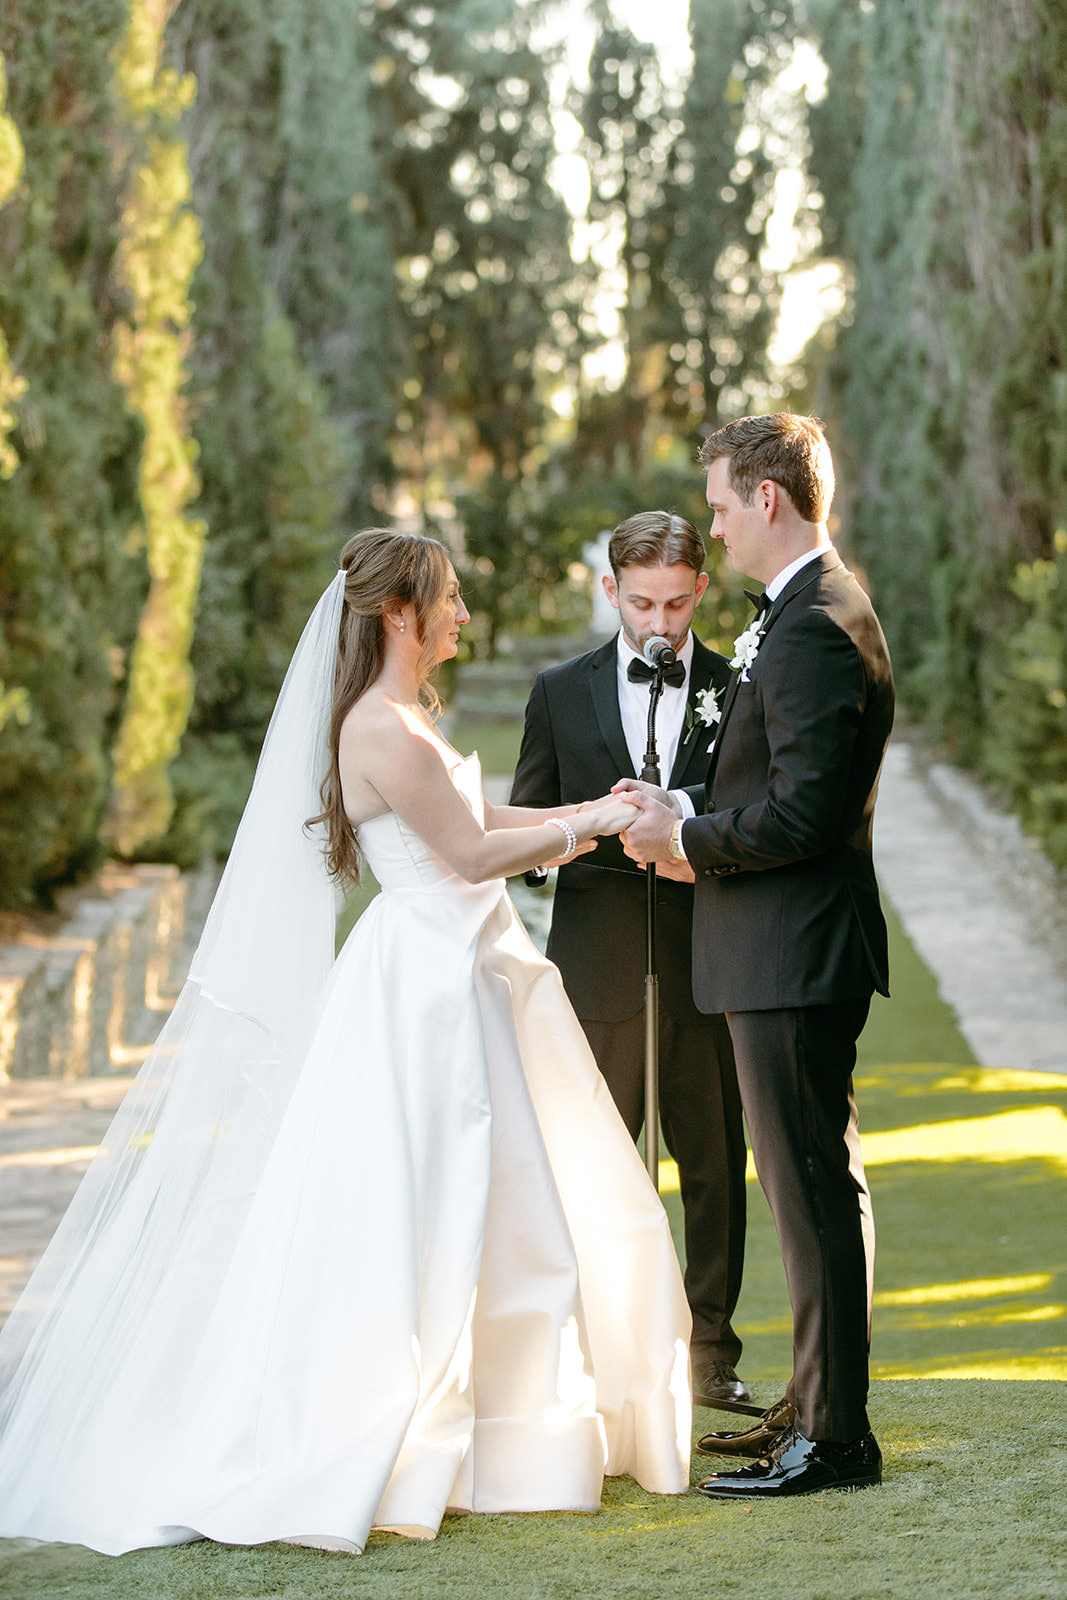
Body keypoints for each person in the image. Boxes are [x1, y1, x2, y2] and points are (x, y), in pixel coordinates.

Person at [0, 529, 692, 1557]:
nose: (461, 613)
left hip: (458, 963)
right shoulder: (377, 726)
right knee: (431, 1192)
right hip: (422, 983)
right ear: (396, 613)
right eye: (447, 599)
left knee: (505, 1193)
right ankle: (416, 1424)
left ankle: (504, 1428)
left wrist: (586, 812)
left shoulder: (401, 720)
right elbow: (465, 851)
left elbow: (476, 811)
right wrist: (592, 819)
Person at [618, 415, 894, 1499]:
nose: (717, 525)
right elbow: (764, 780)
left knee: (809, 1191)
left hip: (789, 952)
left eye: (724, 505)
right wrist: (678, 802)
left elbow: (807, 815)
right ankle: (814, 1405)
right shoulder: (800, 614)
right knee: (818, 1188)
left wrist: (681, 843)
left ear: (768, 500)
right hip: (775, 950)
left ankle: (833, 1439)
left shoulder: (818, 621)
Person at [510, 511, 751, 1415]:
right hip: (596, 963)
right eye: (642, 603)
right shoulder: (558, 691)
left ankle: (710, 1357)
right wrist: (584, 824)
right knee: (594, 1165)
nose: (660, 623)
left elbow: (746, 804)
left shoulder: (734, 685)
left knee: (714, 1164)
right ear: (610, 591)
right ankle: (603, 1350)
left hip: (709, 958)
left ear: (700, 593)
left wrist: (675, 807)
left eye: (678, 605)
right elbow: (530, 825)